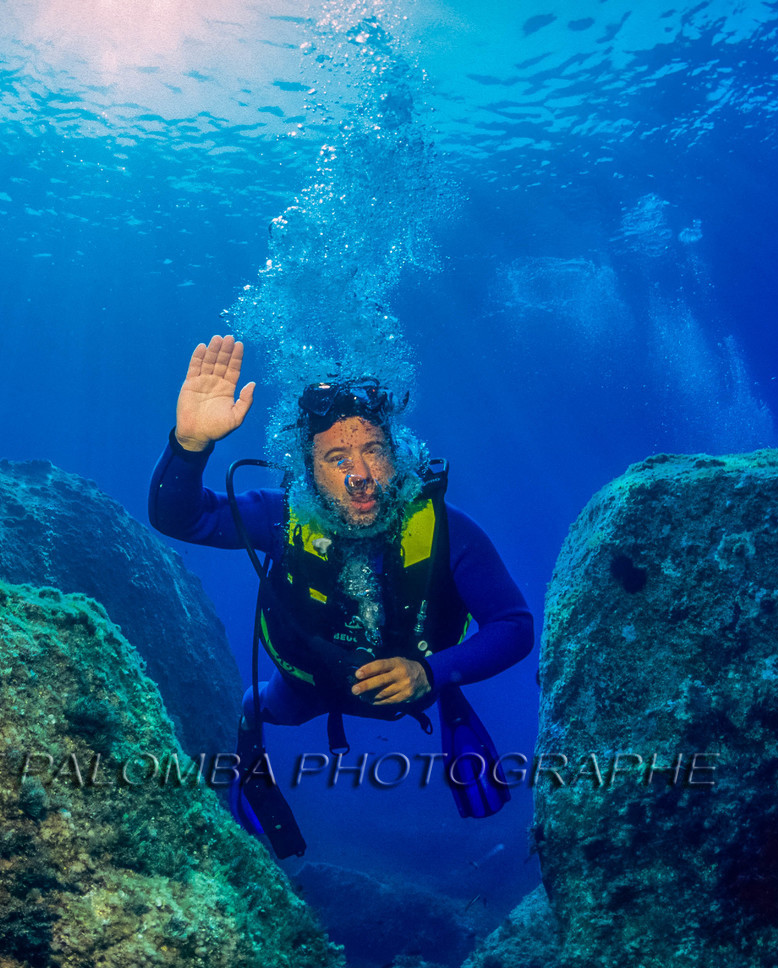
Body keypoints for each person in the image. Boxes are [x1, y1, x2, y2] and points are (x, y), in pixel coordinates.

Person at [147, 334, 536, 858]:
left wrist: (432, 673)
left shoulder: (448, 531)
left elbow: (513, 626)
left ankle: (451, 703)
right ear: (308, 469)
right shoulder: (281, 516)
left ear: (396, 454)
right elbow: (180, 516)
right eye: (335, 457)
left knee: (442, 684)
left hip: (422, 682)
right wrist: (190, 445)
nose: (360, 475)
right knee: (257, 708)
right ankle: (249, 766)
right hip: (309, 686)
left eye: (373, 449)